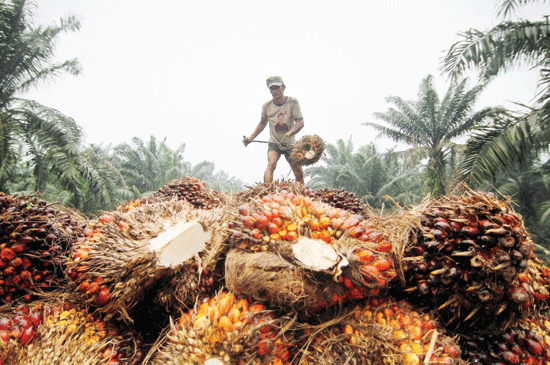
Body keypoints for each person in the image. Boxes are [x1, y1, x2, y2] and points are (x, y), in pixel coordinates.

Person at [243, 76, 305, 184]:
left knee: (298, 171)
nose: (274, 91)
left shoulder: (292, 103)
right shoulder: (267, 106)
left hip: (289, 143)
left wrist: (288, 135)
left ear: (283, 87)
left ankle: (301, 193)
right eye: (272, 89)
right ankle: (267, 189)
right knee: (271, 163)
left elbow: (300, 123)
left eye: (277, 88)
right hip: (274, 142)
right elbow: (262, 123)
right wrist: (250, 138)